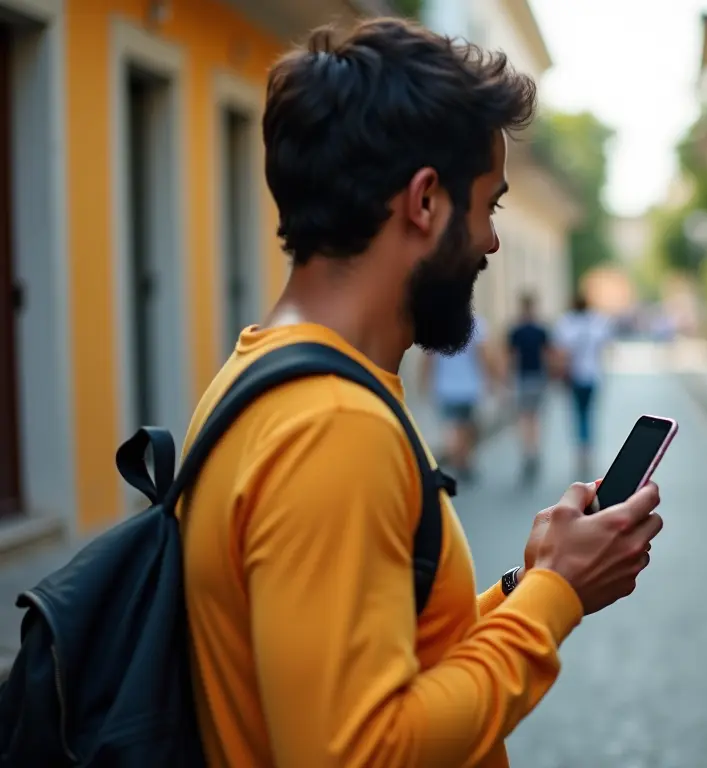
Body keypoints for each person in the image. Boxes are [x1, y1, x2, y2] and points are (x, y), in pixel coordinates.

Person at [179, 19, 664, 768]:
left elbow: (385, 663)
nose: (492, 244)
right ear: (426, 202)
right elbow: (358, 751)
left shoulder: (264, 376)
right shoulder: (334, 425)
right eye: (489, 206)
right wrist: (555, 596)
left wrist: (526, 585)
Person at [421, 314, 503, 482]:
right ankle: (462, 462)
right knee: (464, 427)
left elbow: (428, 357)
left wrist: (425, 380)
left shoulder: (437, 324)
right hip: (468, 387)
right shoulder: (475, 324)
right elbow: (484, 354)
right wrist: (491, 379)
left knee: (456, 427)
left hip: (447, 387)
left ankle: (461, 460)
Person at [552, 293, 614, 478]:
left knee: (577, 413)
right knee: (589, 413)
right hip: (593, 375)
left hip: (574, 376)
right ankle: (587, 447)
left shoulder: (565, 323)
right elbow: (606, 347)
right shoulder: (598, 321)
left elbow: (561, 352)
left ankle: (581, 448)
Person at [507, 292, 552, 483]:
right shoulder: (541, 330)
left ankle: (528, 451)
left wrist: (507, 378)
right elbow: (547, 355)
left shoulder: (515, 331)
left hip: (522, 378)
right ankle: (534, 450)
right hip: (537, 377)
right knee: (535, 417)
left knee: (524, 417)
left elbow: (511, 356)